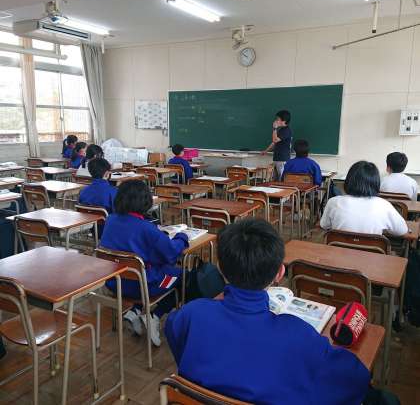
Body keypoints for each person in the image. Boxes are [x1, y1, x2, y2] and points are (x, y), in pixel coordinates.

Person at [165, 218, 370, 404]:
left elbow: (175, 334)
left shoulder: (190, 314)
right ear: (280, 273)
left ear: (220, 267)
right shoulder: (299, 336)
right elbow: (357, 379)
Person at [100, 180, 189, 346]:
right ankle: (154, 315)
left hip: (114, 282)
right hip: (143, 287)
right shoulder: (146, 228)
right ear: (145, 202)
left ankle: (135, 311)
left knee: (153, 267)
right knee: (182, 276)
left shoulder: (110, 220)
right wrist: (182, 237)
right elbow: (170, 253)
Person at [321, 161, 408, 236]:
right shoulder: (384, 205)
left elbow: (324, 225)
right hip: (372, 250)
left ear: (349, 180)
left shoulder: (333, 202)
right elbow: (402, 231)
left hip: (338, 249)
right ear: (375, 183)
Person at [262, 110, 292, 181]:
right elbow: (274, 142)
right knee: (275, 180)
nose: (275, 121)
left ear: (284, 121)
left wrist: (274, 128)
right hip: (277, 158)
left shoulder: (286, 130)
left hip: (282, 159)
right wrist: (266, 151)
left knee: (281, 179)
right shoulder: (281, 130)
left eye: (278, 119)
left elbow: (274, 140)